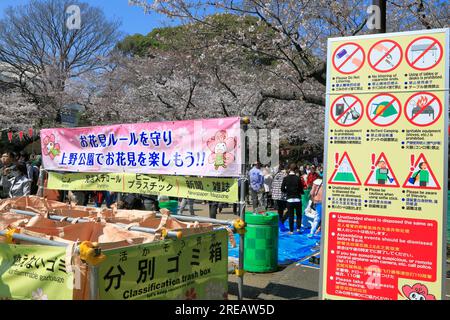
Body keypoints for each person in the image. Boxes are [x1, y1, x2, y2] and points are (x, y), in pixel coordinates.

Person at [281, 163, 304, 234]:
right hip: (297, 199)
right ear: (296, 170)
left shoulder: (285, 178)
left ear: (289, 169)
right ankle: (298, 229)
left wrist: (287, 191)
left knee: (290, 215)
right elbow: (301, 188)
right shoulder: (298, 178)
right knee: (298, 215)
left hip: (289, 199)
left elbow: (282, 189)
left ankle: (291, 231)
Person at [271, 164, 287, 231]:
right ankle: (281, 223)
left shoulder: (276, 175)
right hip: (282, 195)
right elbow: (285, 186)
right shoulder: (285, 175)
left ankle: (280, 223)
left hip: (276, 195)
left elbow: (273, 185)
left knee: (280, 211)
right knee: (285, 210)